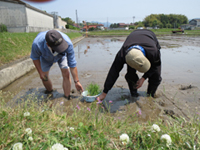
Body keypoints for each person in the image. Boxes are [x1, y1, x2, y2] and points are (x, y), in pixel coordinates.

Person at [98, 29, 162, 100]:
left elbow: (156, 65)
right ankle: (134, 94)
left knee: (156, 76)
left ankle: (151, 95)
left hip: (149, 36)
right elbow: (113, 72)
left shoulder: (153, 51)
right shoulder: (121, 55)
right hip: (132, 42)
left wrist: (143, 78)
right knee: (130, 75)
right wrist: (104, 92)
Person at [30, 30, 83, 100]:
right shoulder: (37, 44)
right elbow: (35, 58)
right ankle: (50, 92)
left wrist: (77, 81)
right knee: (44, 77)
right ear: (48, 45)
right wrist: (40, 73)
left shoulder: (68, 43)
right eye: (58, 47)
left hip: (62, 55)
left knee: (66, 73)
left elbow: (72, 64)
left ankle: (67, 96)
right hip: (45, 57)